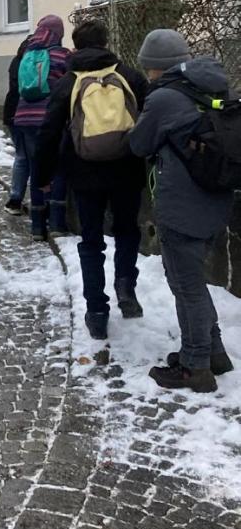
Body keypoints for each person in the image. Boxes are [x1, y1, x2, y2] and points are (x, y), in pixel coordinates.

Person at [129, 30, 236, 393]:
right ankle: (215, 354)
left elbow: (139, 143)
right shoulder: (214, 87)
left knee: (186, 287)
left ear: (155, 67)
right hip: (215, 198)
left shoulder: (163, 97)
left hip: (180, 206)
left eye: (147, 67)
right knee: (196, 284)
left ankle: (195, 367)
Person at [34, 20, 148, 341]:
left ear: (77, 46)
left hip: (84, 173)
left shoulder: (68, 82)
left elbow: (48, 133)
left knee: (91, 240)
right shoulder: (130, 75)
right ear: (106, 41)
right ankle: (126, 284)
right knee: (127, 230)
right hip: (127, 168)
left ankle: (97, 311)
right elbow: (150, 117)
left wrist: (43, 177)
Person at [12, 14, 70, 240]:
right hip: (49, 120)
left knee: (36, 168)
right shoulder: (62, 56)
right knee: (58, 168)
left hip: (24, 118)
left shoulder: (27, 54)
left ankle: (37, 226)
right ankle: (56, 223)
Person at [2, 36, 30, 214]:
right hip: (27, 114)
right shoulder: (33, 63)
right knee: (30, 157)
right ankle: (38, 202)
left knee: (21, 156)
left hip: (12, 113)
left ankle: (15, 199)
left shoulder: (16, 62)